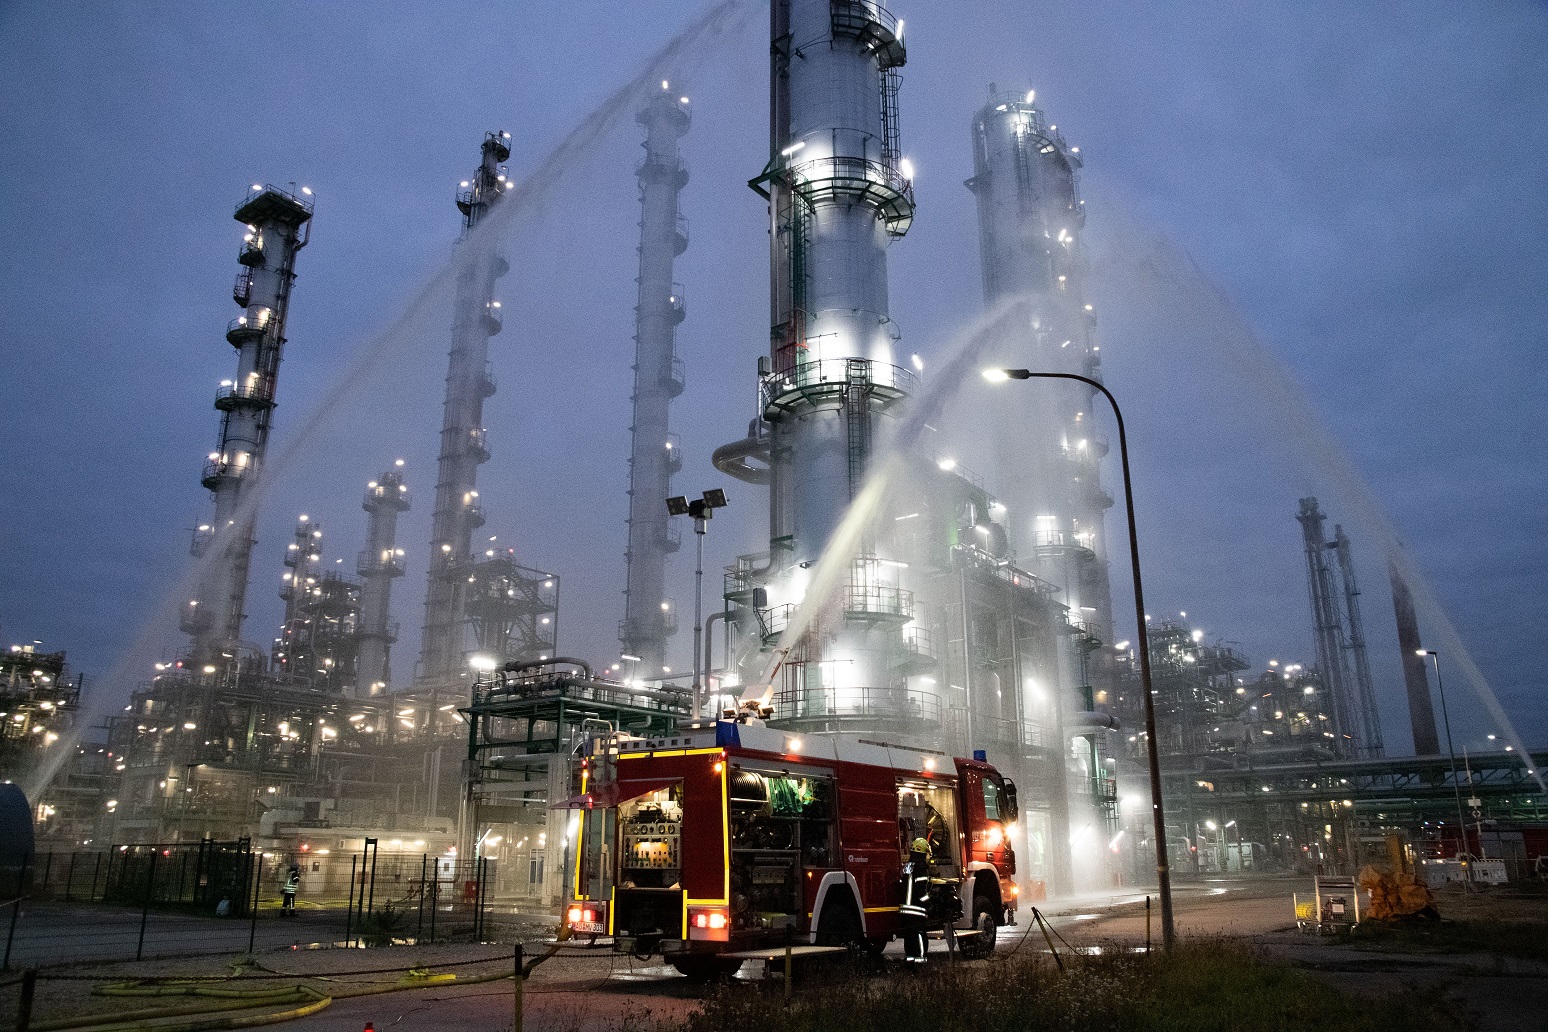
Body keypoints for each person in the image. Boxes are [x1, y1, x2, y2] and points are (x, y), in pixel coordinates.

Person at [899, 837, 931, 964]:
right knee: (919, 934)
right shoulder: (921, 868)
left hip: (905, 909)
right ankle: (920, 960)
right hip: (917, 908)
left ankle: (910, 960)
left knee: (909, 935)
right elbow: (921, 891)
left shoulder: (907, 866)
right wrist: (929, 901)